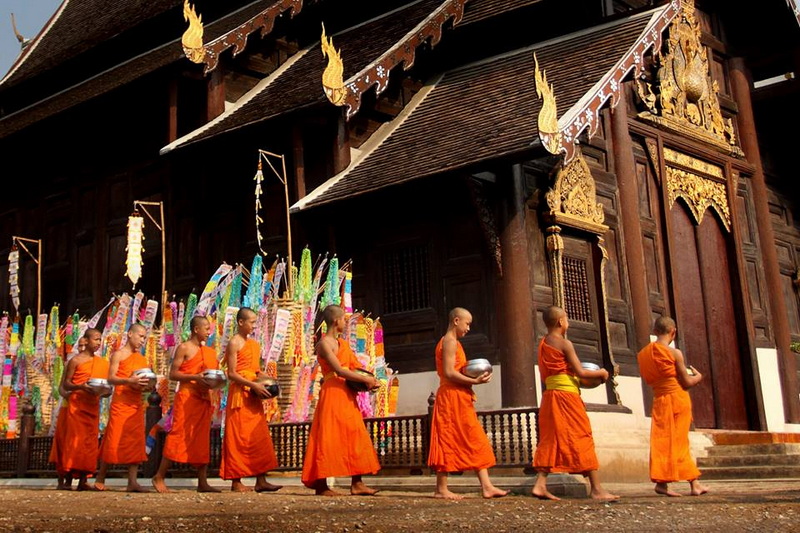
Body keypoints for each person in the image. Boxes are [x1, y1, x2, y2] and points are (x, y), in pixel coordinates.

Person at [531, 306, 618, 501]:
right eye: (567, 319)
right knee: (582, 436)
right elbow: (581, 372)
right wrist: (602, 373)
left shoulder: (543, 343)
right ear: (561, 322)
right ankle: (596, 489)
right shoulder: (565, 343)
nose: (568, 323)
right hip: (567, 398)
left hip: (550, 396)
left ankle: (540, 484)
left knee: (551, 438)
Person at [426, 307, 507, 500]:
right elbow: (449, 372)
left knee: (473, 437)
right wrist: (475, 381)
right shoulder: (449, 341)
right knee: (447, 438)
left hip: (459, 396)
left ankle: (487, 486)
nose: (468, 328)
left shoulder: (454, 342)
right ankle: (441, 489)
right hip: (451, 396)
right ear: (456, 321)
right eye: (467, 323)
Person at [301, 304, 382, 496]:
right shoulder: (324, 344)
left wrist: (370, 379)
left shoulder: (343, 344)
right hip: (332, 392)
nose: (346, 323)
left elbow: (355, 367)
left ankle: (357, 483)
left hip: (346, 393)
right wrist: (365, 379)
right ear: (337, 321)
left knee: (355, 433)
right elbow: (338, 370)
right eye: (344, 319)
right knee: (328, 435)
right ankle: (321, 485)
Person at [637, 316, 709, 497]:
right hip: (677, 399)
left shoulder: (643, 354)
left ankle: (663, 483)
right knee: (680, 442)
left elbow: (651, 379)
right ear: (673, 332)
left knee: (662, 442)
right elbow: (686, 382)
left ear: (655, 331)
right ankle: (694, 484)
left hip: (659, 400)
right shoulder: (674, 353)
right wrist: (698, 377)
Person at [152, 316, 221, 493]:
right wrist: (194, 377)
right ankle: (159, 476)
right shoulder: (184, 348)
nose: (209, 331)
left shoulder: (209, 351)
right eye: (206, 328)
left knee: (202, 439)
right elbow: (173, 374)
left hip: (203, 398)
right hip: (187, 397)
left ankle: (202, 482)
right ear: (196, 329)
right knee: (178, 435)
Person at [219, 307, 282, 492]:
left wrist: (268, 380)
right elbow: (231, 373)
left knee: (258, 436)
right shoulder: (234, 343)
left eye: (256, 322)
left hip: (254, 395)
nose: (255, 326)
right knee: (238, 437)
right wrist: (253, 385)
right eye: (252, 322)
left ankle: (261, 480)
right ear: (241, 322)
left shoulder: (254, 344)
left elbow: (255, 370)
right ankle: (236, 481)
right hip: (240, 395)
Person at [94, 323, 152, 492]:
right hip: (121, 402)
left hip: (136, 403)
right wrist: (128, 381)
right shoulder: (118, 355)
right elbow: (111, 378)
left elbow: (146, 381)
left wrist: (147, 386)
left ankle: (132, 481)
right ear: (130, 334)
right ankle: (101, 477)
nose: (142, 340)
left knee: (136, 441)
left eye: (144, 337)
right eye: (140, 336)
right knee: (113, 438)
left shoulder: (142, 359)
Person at [48, 328, 108, 490]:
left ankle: (83, 480)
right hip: (76, 407)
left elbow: (106, 386)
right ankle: (66, 479)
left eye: (100, 339)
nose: (98, 342)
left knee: (89, 443)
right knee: (73, 442)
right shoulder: (75, 361)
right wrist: (80, 386)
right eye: (96, 339)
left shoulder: (102, 363)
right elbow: (66, 384)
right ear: (86, 341)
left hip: (92, 406)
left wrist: (104, 391)